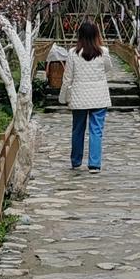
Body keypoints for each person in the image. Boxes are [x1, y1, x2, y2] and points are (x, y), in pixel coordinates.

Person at [60, 20, 113, 173]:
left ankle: (76, 161)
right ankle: (94, 164)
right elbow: (108, 68)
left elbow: (68, 77)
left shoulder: (73, 53)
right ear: (96, 35)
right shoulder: (103, 51)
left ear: (80, 35)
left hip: (79, 96)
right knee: (96, 130)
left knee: (77, 129)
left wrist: (64, 96)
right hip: (99, 96)